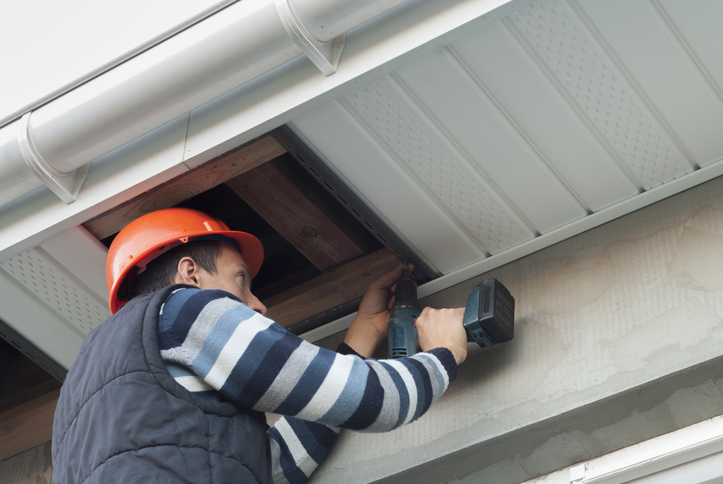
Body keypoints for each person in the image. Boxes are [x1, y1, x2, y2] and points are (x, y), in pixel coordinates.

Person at [51, 208, 467, 484]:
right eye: (240, 280)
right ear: (190, 273)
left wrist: (362, 334)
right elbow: (378, 402)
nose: (258, 304)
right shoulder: (183, 310)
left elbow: (265, 468)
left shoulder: (78, 402)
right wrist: (443, 354)